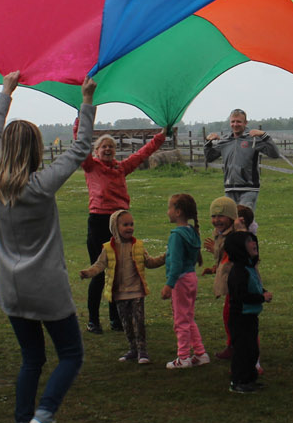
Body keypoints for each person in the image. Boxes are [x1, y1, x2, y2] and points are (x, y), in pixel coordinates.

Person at [0, 71, 96, 423]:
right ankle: (43, 417)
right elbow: (80, 148)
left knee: (31, 358)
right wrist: (86, 100)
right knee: (71, 354)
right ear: (35, 150)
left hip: (11, 288)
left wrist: (6, 92)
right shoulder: (42, 184)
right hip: (46, 287)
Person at [81, 128, 165, 334]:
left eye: (111, 146)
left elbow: (143, 153)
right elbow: (80, 143)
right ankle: (93, 321)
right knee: (99, 272)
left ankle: (115, 319)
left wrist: (161, 136)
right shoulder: (91, 166)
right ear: (96, 150)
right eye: (103, 147)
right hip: (99, 222)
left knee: (118, 271)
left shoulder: (121, 168)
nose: (108, 149)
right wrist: (79, 123)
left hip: (119, 222)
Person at [79, 209, 164, 363]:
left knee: (138, 323)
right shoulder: (108, 248)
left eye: (131, 224)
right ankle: (133, 349)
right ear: (114, 227)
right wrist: (88, 273)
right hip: (119, 294)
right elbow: (99, 265)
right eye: (125, 225)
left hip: (137, 292)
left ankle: (142, 351)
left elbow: (150, 262)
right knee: (126, 324)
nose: (129, 227)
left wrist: (165, 257)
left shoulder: (138, 246)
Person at [161, 193, 210, 369]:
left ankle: (183, 357)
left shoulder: (176, 235)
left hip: (180, 281)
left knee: (180, 320)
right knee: (188, 318)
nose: (168, 211)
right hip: (191, 278)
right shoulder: (192, 232)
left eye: (170, 208)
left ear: (178, 212)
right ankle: (200, 353)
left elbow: (176, 263)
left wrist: (169, 284)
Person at [223, 230, 271, 393]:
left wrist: (262, 292)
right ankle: (238, 381)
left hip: (250, 316)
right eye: (248, 241)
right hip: (240, 318)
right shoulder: (239, 272)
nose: (253, 243)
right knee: (243, 350)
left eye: (253, 240)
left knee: (252, 350)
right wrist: (262, 297)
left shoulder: (249, 268)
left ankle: (249, 379)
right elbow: (242, 296)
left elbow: (254, 287)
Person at [204, 109, 281, 210]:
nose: (235, 124)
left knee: (243, 218)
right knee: (231, 218)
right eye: (233, 121)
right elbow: (209, 158)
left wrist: (264, 136)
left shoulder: (253, 138)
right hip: (230, 188)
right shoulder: (225, 140)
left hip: (249, 188)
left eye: (239, 121)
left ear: (245, 123)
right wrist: (208, 143)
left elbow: (275, 154)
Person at [203, 194, 241, 360]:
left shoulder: (235, 236)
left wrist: (216, 252)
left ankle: (238, 347)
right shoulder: (220, 233)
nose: (216, 220)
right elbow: (223, 258)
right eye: (214, 216)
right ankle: (233, 344)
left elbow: (232, 258)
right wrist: (215, 268)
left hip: (237, 282)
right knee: (228, 315)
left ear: (231, 216)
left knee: (235, 316)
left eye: (221, 216)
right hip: (228, 280)